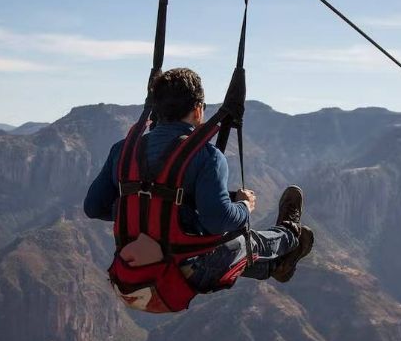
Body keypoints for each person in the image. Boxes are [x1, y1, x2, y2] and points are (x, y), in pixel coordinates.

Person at [84, 67, 313, 293]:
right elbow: (218, 220)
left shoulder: (122, 151)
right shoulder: (207, 157)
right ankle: (290, 234)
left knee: (226, 242)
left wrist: (140, 209)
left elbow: (93, 207)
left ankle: (277, 265)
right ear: (197, 110)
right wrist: (244, 206)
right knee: (244, 242)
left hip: (132, 269)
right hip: (186, 271)